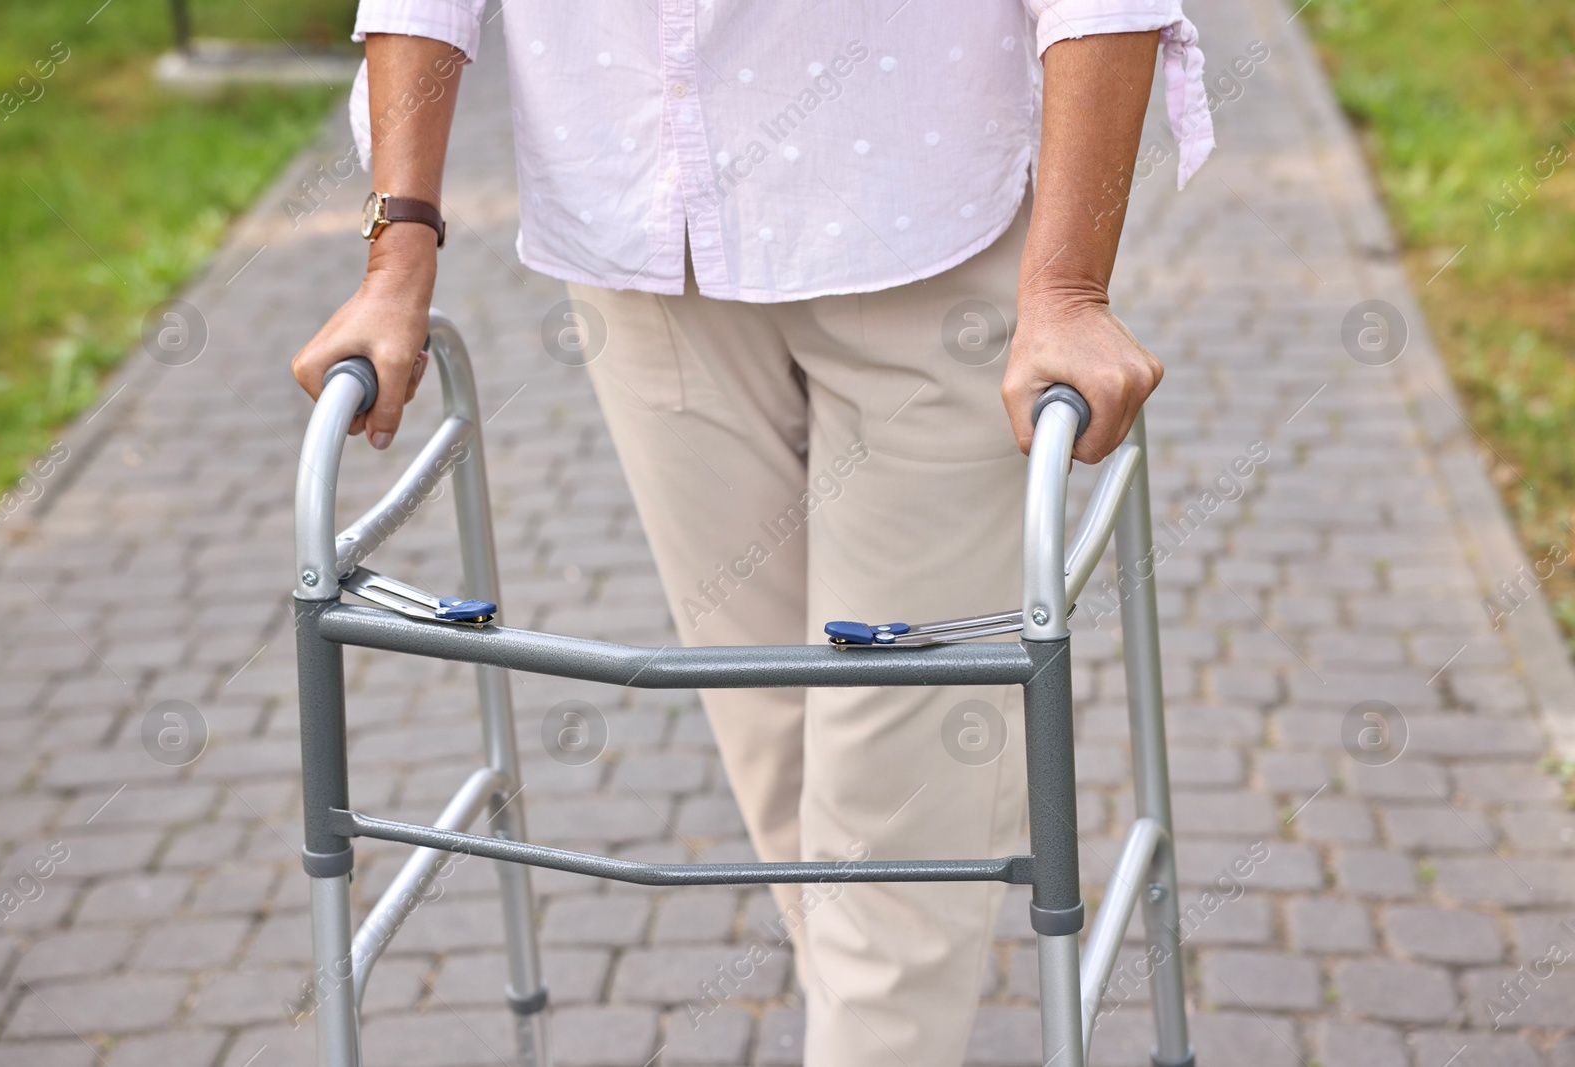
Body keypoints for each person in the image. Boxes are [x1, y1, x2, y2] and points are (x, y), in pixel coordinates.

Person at [293, 3, 1213, 1063]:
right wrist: (394, 258)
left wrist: (1066, 289)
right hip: (641, 241)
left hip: (927, 221)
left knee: (893, 771)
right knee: (768, 726)